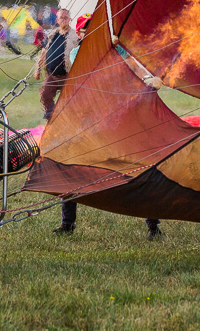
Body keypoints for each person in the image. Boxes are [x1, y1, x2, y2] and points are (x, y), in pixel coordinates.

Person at [54, 15, 164, 240]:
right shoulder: (78, 54)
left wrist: (149, 78)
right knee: (72, 166)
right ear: (81, 34)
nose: (93, 32)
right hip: (91, 121)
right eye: (88, 29)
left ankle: (154, 227)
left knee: (140, 167)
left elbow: (134, 66)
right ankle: (67, 224)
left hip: (122, 117)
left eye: (97, 28)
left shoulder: (116, 50)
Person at [34, 8, 77, 121]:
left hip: (67, 76)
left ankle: (66, 120)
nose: (63, 20)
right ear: (57, 20)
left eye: (65, 17)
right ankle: (51, 117)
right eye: (60, 18)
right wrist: (37, 69)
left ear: (69, 19)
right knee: (45, 95)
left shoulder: (75, 36)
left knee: (67, 101)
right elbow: (43, 52)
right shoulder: (52, 35)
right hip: (51, 74)